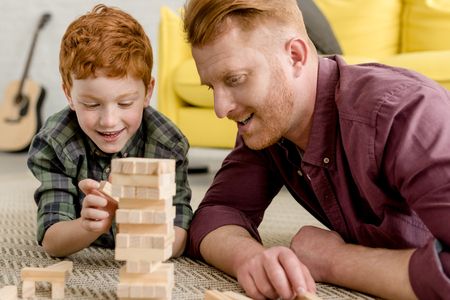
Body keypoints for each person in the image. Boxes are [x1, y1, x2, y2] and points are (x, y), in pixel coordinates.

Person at [182, 0, 450, 299]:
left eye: (235, 79)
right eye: (212, 87)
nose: (221, 108)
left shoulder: (405, 114)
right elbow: (217, 213)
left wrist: (334, 262)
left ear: (295, 56)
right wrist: (251, 259)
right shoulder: (269, 128)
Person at [27, 4, 193, 258]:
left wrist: (146, 235)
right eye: (92, 105)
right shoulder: (55, 143)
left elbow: (180, 228)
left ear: (148, 92)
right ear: (69, 96)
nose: (109, 121)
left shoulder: (168, 144)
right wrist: (88, 226)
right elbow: (51, 240)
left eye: (125, 103)